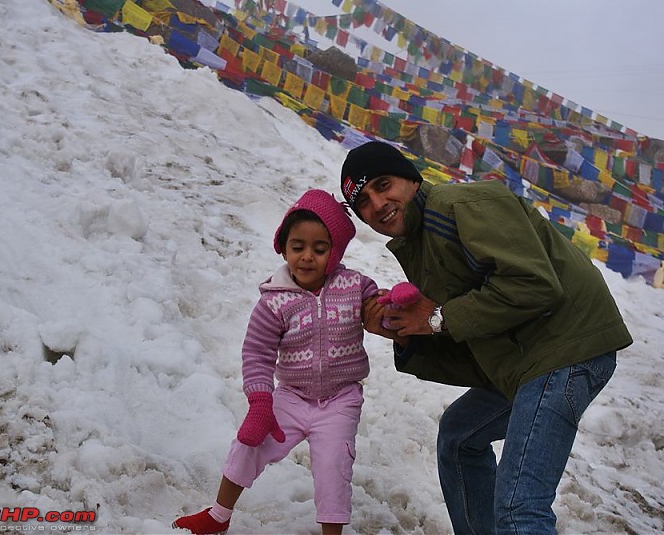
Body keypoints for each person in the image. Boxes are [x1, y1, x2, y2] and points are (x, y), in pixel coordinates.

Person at [338, 141, 633, 535]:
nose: (378, 203)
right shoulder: (421, 244)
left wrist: (438, 319)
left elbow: (534, 284)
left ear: (410, 178)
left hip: (565, 346)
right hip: (528, 358)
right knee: (460, 439)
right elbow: (477, 341)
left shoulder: (461, 206)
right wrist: (407, 337)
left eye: (383, 184)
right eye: (364, 202)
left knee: (518, 508)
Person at [173, 189, 380, 535]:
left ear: (335, 252)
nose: (307, 257)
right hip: (292, 396)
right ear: (283, 248)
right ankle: (218, 516)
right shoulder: (274, 302)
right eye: (298, 246)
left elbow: (378, 311)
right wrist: (260, 403)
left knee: (334, 469)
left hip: (340, 400)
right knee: (247, 444)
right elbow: (257, 353)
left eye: (320, 248)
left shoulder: (354, 285)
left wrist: (393, 307)